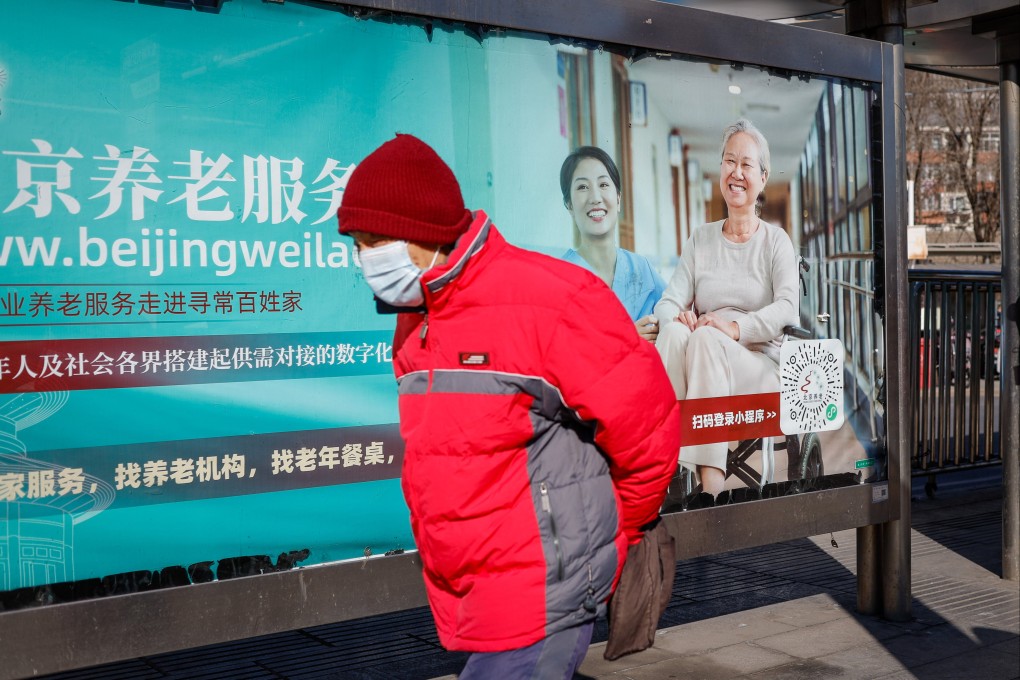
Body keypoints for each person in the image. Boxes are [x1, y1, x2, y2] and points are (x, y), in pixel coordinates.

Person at [336, 134, 680, 679]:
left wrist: (620, 530)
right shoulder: (414, 319)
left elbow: (648, 422)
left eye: (377, 240)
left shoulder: (551, 297)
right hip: (477, 592)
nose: (365, 259)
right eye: (356, 244)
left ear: (427, 230)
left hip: (543, 590)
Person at [654, 119, 799, 497]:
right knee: (672, 332)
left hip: (759, 364)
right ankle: (665, 469)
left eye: (746, 164)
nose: (736, 173)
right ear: (720, 169)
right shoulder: (700, 239)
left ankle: (711, 494)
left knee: (703, 339)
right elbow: (668, 301)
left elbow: (786, 307)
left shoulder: (776, 242)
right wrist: (679, 316)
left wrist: (734, 329)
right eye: (729, 161)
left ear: (763, 177)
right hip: (706, 362)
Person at [560, 146, 666, 342]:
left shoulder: (642, 269)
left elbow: (675, 312)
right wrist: (625, 339)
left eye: (603, 185)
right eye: (583, 187)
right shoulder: (559, 279)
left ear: (618, 199)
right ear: (569, 206)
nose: (595, 198)